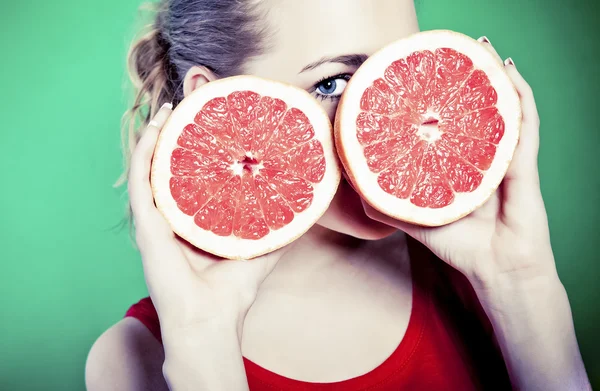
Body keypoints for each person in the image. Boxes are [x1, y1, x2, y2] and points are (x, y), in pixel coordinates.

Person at [85, 1, 592, 390]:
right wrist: (204, 343)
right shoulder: (135, 359)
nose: (384, 121)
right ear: (217, 102)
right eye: (333, 84)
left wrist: (521, 285)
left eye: (401, 71)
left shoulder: (478, 278)